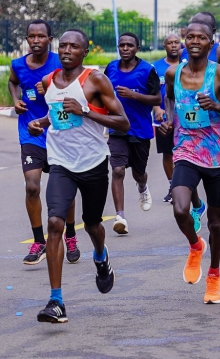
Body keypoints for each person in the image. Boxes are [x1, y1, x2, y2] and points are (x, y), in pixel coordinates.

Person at [29, 30, 129, 323]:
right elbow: (56, 114)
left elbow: (122, 122)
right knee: (55, 223)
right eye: (63, 45)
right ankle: (56, 301)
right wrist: (41, 122)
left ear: (85, 52)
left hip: (93, 163)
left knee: (93, 224)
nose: (67, 50)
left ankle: (100, 256)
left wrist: (85, 111)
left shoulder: (95, 80)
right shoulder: (49, 80)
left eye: (74, 46)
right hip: (61, 163)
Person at [160, 21, 220, 304]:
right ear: (184, 41)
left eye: (201, 37)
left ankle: (214, 274)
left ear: (211, 43)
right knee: (180, 209)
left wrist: (217, 106)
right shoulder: (173, 73)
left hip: (216, 157)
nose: (194, 41)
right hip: (186, 151)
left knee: (215, 223)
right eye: (190, 37)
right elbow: (169, 98)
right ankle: (194, 245)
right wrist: (169, 118)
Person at [9, 20, 75, 266]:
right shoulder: (18, 65)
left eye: (41, 36)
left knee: (65, 189)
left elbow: (75, 91)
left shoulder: (60, 63)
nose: (36, 40)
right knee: (32, 187)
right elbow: (13, 82)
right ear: (27, 39)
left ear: (50, 39)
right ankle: (39, 241)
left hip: (59, 132)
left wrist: (51, 88)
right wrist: (15, 99)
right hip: (31, 133)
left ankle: (71, 235)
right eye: (32, 36)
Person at [105, 32, 161, 234]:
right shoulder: (111, 68)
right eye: (122, 45)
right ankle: (120, 216)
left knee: (138, 173)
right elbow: (102, 93)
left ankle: (142, 186)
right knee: (118, 170)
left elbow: (157, 99)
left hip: (140, 129)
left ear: (137, 48)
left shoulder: (147, 70)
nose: (125, 48)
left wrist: (134, 95)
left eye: (130, 45)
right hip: (117, 128)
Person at [153, 33, 183, 202]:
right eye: (170, 43)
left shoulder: (186, 64)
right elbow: (152, 90)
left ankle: (182, 186)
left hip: (184, 116)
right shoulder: (156, 67)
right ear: (164, 46)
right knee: (167, 153)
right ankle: (172, 186)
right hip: (163, 117)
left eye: (176, 42)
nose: (173, 45)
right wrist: (157, 108)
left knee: (183, 152)